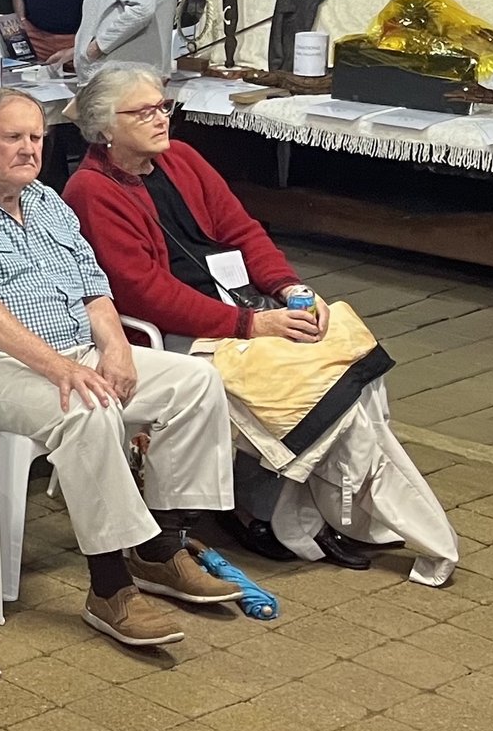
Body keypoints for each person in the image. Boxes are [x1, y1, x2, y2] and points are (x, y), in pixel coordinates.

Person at [63, 65, 456, 585]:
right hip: (178, 333)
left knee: (350, 367)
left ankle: (306, 513)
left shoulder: (181, 158)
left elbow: (242, 230)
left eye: (163, 106)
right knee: (314, 386)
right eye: (144, 112)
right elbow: (146, 294)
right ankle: (317, 519)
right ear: (104, 126)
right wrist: (251, 324)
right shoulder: (91, 190)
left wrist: (290, 287)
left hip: (242, 306)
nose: (161, 119)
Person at [0, 87, 242, 649]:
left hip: (71, 354)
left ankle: (160, 547)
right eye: (13, 137)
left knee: (196, 382)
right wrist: (61, 367)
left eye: (36, 137)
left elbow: (93, 286)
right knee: (88, 408)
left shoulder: (47, 202)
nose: (29, 149)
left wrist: (116, 347)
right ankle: (109, 587)